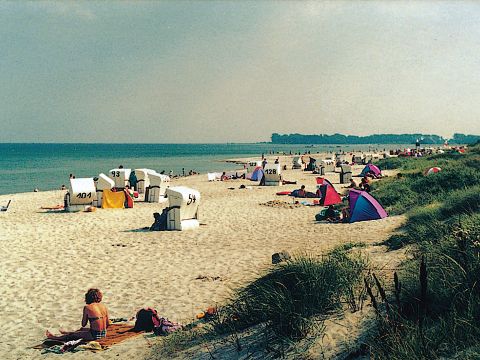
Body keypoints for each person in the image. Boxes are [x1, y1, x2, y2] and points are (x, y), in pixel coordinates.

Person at [45, 288, 110, 341]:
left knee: (72, 336)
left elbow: (83, 324)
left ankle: (54, 337)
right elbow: (108, 324)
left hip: (94, 335)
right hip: (104, 333)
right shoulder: (103, 306)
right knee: (82, 330)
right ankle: (67, 332)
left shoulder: (87, 307)